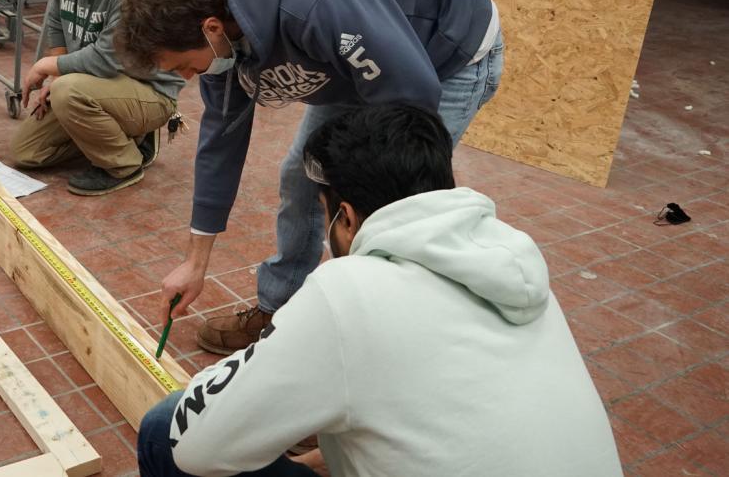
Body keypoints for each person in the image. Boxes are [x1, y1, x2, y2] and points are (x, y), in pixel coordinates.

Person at [137, 105, 622, 477]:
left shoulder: (349, 290)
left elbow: (197, 446)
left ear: (344, 218)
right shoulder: (509, 257)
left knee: (164, 430)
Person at [118, 0, 504, 353]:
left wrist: (365, 201)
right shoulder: (214, 26)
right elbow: (219, 146)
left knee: (390, 206)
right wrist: (194, 262)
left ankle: (378, 344)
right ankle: (279, 310)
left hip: (444, 55)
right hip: (356, 59)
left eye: (182, 66)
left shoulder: (316, 1)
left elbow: (410, 101)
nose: (188, 78)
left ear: (211, 29)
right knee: (302, 176)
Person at [10, 0, 185, 195]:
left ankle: (125, 164)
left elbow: (107, 58)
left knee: (68, 92)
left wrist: (47, 69)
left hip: (148, 88)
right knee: (26, 152)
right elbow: (55, 20)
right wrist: (58, 72)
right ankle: (114, 136)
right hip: (95, 82)